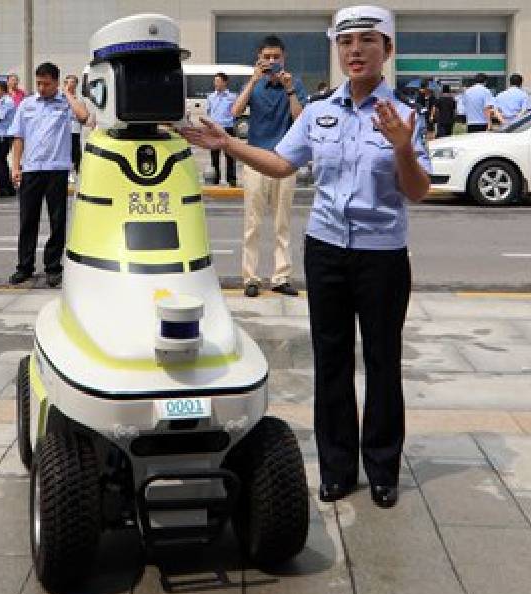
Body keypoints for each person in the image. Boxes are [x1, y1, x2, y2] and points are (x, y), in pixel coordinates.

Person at [180, 5, 431, 509]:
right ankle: (338, 468)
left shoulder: (404, 117)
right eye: (346, 42)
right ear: (337, 51)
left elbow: (417, 191)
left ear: (388, 50)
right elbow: (279, 162)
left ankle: (382, 468)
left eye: (367, 40)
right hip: (326, 250)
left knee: (383, 363)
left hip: (382, 256)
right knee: (331, 360)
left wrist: (403, 148)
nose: (355, 50)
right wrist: (228, 142)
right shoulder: (320, 112)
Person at [231, 35, 308, 298]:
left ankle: (281, 276)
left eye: (276, 57)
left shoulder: (294, 84)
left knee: (281, 223)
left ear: (284, 58)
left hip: (285, 161)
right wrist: (253, 80)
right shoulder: (254, 85)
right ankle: (251, 277)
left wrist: (289, 90)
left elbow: (300, 119)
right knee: (252, 223)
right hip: (255, 160)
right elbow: (235, 111)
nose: (272, 62)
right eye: (267, 57)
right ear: (260, 59)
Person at [8, 62, 88, 288]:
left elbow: (83, 116)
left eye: (47, 84)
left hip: (57, 170)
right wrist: (16, 167)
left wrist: (68, 94)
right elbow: (18, 137)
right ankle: (24, 267)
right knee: (27, 221)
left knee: (57, 220)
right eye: (39, 83)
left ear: (56, 82)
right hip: (31, 169)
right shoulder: (27, 104)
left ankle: (53, 267)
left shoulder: (65, 104)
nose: (42, 88)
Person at [206, 72, 238, 186]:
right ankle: (215, 180)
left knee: (230, 156)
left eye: (218, 81)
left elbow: (236, 113)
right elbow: (209, 112)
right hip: (214, 129)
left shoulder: (232, 97)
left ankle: (232, 179)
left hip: (228, 128)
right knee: (214, 156)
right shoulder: (211, 97)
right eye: (215, 81)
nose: (216, 83)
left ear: (225, 82)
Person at [63, 74, 82, 183]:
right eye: (69, 82)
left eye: (73, 82)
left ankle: (77, 171)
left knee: (76, 151)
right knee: (66, 152)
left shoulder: (79, 97)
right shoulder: (62, 96)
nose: (71, 84)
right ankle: (68, 172)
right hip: (65, 129)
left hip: (76, 128)